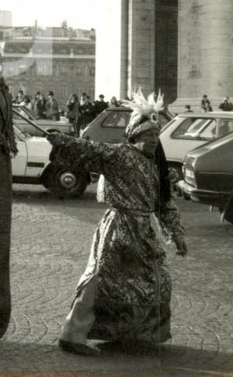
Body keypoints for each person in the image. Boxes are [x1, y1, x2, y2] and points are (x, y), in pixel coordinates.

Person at [46, 90, 187, 356]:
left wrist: (177, 234)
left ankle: (129, 335)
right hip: (118, 228)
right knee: (100, 279)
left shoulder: (155, 166)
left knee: (155, 281)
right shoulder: (121, 155)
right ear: (134, 136)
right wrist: (62, 140)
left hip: (143, 232)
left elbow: (164, 203)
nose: (154, 141)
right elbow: (91, 148)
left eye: (156, 136)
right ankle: (71, 336)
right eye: (148, 136)